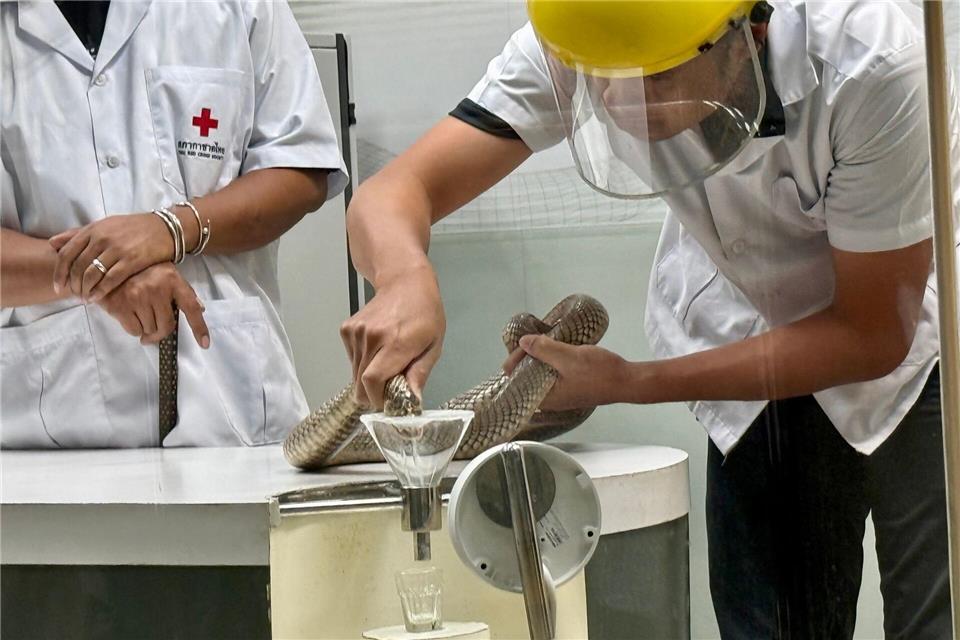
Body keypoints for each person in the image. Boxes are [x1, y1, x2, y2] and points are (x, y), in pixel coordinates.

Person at [341, 1, 956, 637]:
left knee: (934, 619)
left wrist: (629, 381)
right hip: (742, 329)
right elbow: (393, 193)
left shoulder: (873, 62)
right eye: (606, 80)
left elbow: (871, 333)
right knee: (772, 624)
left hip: (908, 352)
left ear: (748, 32)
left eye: (657, 79)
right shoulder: (588, 31)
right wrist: (405, 278)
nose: (625, 104)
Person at [1, 1, 347, 447]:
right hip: (50, 431)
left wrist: (172, 229)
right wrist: (99, 275)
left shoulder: (238, 7)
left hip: (229, 412)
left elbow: (300, 168)